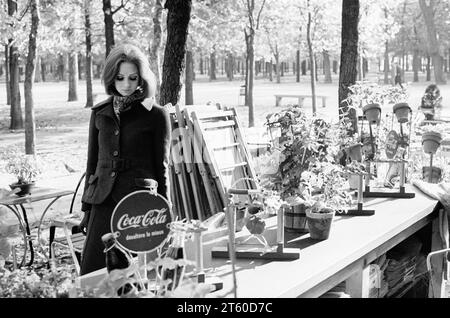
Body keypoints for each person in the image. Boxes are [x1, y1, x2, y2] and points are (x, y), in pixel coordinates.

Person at [79, 44, 171, 275]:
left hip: (139, 204)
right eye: (120, 78)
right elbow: (92, 163)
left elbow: (162, 166)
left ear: (141, 78)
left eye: (132, 77)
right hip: (102, 199)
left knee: (137, 273)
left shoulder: (156, 115)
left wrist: (166, 209)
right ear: (112, 78)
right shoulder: (100, 113)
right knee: (93, 270)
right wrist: (86, 207)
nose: (127, 84)